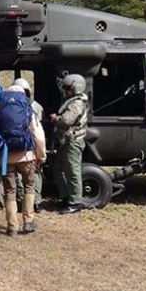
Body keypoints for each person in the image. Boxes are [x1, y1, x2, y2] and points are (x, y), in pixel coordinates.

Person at [0, 84, 46, 236]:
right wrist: (41, 156)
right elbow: (39, 137)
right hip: (27, 156)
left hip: (6, 156)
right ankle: (28, 221)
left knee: (10, 190)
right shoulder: (28, 110)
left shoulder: (0, 110)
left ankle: (12, 227)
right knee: (29, 186)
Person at [50, 73, 89, 214]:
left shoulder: (77, 104)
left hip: (72, 142)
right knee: (58, 170)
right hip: (66, 141)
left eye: (68, 88)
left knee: (72, 172)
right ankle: (67, 197)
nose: (65, 91)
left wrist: (56, 118)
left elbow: (66, 120)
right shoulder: (73, 102)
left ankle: (76, 202)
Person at [12, 78, 44, 213]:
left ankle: (21, 201)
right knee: (34, 174)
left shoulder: (12, 105)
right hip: (31, 144)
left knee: (18, 177)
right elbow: (38, 127)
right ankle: (37, 202)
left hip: (15, 145)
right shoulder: (36, 106)